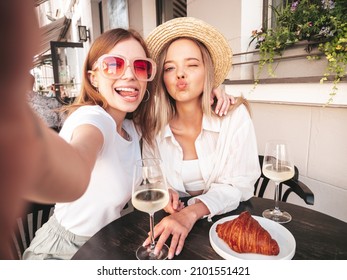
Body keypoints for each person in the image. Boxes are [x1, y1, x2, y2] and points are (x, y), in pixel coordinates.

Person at [143, 17, 261, 259]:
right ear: (162, 79)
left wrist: (190, 212)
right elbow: (147, 179)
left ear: (208, 71)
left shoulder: (234, 117)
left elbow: (240, 185)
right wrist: (163, 193)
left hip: (228, 224)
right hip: (170, 229)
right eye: (169, 68)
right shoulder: (151, 127)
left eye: (192, 65)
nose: (180, 75)